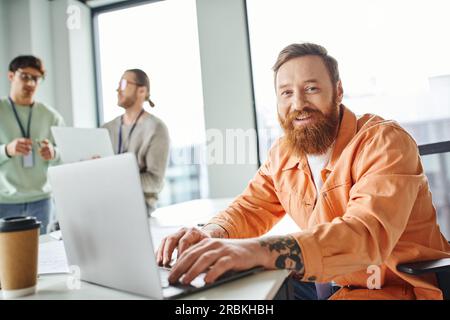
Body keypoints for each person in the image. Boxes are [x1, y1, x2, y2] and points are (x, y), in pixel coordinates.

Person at [157, 43, 450, 300]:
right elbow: (249, 208)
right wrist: (211, 234)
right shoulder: (283, 152)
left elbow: (365, 234)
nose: (298, 104)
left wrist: (259, 250)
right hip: (323, 282)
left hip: (391, 288)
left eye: (311, 88)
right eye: (286, 93)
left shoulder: (384, 142)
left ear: (338, 91)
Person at [0, 55, 65, 234]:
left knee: (43, 257)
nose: (30, 83)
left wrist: (54, 153)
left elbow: (66, 157)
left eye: (36, 78)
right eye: (25, 76)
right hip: (4, 201)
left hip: (41, 201)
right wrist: (7, 150)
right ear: (11, 76)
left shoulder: (51, 116)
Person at [103, 69, 169, 215]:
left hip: (139, 205)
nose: (118, 89)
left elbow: (155, 182)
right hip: (108, 199)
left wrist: (118, 180)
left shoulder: (156, 128)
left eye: (124, 84)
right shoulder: (106, 129)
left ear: (142, 91)